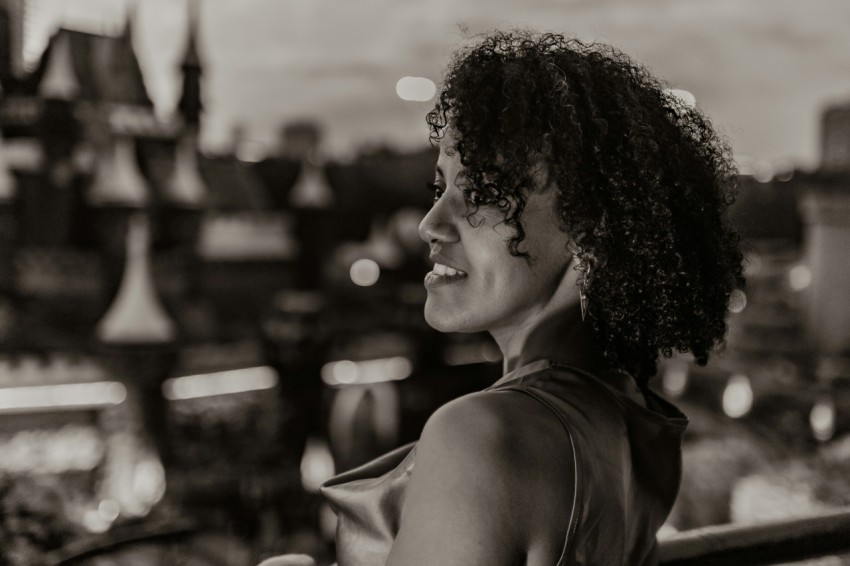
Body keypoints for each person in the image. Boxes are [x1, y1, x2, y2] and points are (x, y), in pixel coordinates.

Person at [261, 29, 744, 566]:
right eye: (440, 187)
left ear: (593, 227)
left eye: (483, 193)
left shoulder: (482, 436)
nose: (429, 224)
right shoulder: (635, 424)